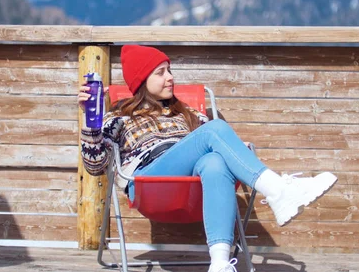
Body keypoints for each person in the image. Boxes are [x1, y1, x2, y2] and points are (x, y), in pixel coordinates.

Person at [79, 44, 337, 272]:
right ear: (141, 81)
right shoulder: (120, 117)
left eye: (169, 70)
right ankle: (278, 190)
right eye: (160, 73)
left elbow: (217, 146)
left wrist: (240, 151)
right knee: (215, 130)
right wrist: (91, 124)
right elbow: (96, 166)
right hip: (150, 185)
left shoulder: (190, 115)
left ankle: (220, 263)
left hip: (192, 188)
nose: (170, 78)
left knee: (214, 162)